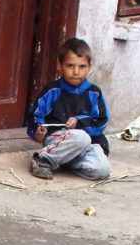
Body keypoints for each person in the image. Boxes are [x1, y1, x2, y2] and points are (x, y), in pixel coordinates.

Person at [27, 37, 111, 181]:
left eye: (82, 66)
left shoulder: (94, 93)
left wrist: (79, 122)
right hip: (59, 139)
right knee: (80, 137)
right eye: (70, 66)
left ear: (89, 67)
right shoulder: (52, 91)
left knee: (102, 170)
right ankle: (43, 159)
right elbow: (34, 116)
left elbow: (102, 122)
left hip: (88, 142)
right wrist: (37, 131)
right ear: (60, 65)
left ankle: (62, 160)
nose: (76, 72)